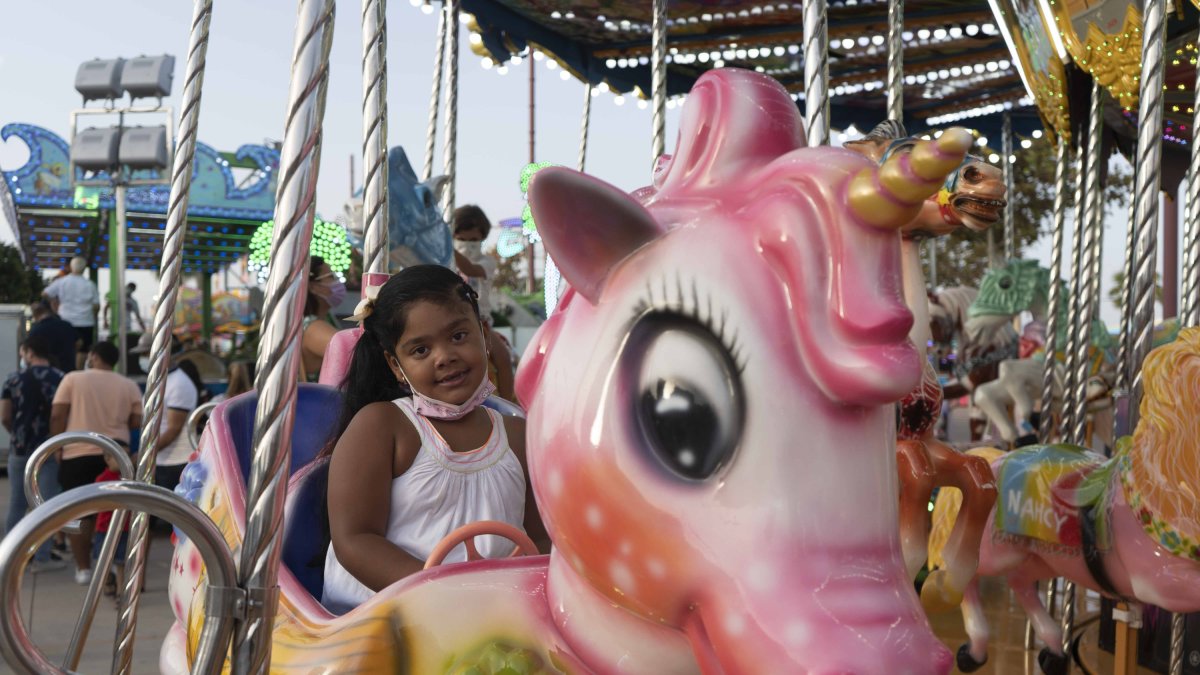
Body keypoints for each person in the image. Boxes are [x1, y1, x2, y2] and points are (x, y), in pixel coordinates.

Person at [320, 265, 546, 614]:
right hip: (381, 615)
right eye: (421, 350)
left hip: (488, 615)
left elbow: (537, 540)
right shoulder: (383, 426)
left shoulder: (518, 435)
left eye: (458, 336)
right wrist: (448, 596)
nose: (445, 357)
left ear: (484, 336)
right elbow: (355, 539)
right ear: (396, 366)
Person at [50, 341, 143, 584]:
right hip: (115, 454)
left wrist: (57, 446)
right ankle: (113, 564)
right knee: (114, 513)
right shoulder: (129, 385)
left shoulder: (72, 379)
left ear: (92, 356)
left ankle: (84, 569)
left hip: (77, 453)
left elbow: (57, 414)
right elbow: (136, 421)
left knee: (79, 513)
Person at [1, 335, 66, 572]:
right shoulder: (60, 378)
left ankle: (11, 557)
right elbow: (61, 415)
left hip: (19, 448)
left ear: (28, 352)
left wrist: (17, 434)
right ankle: (42, 558)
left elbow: (5, 416)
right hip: (48, 448)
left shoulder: (13, 380)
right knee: (46, 504)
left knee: (17, 503)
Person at [451, 206, 516, 402]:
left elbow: (469, 269)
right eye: (462, 239)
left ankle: (508, 403)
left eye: (474, 240)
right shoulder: (446, 262)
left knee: (503, 357)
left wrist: (448, 248)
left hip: (480, 321)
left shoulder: (487, 262)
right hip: (451, 320)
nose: (468, 245)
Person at [42, 257, 99, 370]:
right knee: (82, 350)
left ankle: (65, 373)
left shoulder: (62, 281)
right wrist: (93, 316)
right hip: (86, 322)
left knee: (66, 348)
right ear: (84, 269)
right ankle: (78, 373)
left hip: (65, 320)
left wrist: (55, 305)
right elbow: (96, 306)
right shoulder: (90, 285)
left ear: (71, 267)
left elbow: (45, 293)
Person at [301, 256, 344, 381]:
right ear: (313, 287)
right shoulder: (313, 327)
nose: (338, 282)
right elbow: (352, 351)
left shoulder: (326, 319)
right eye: (331, 276)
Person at [28, 301, 79, 373]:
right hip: (68, 370)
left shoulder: (36, 330)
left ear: (36, 314)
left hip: (47, 372)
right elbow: (79, 342)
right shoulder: (67, 325)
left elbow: (30, 349)